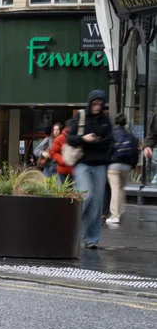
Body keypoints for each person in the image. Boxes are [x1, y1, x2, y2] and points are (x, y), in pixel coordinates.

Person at [66, 90, 113, 249]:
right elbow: (70, 139)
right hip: (82, 163)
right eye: (95, 103)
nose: (97, 107)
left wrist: (98, 143)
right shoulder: (80, 116)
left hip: (100, 165)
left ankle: (91, 239)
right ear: (90, 102)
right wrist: (84, 139)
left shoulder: (106, 121)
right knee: (85, 195)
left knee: (97, 203)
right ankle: (69, 229)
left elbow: (110, 142)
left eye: (100, 104)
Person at [107, 113, 139, 226]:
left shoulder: (113, 134)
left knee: (115, 189)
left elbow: (108, 149)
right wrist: (133, 165)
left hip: (113, 165)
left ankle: (115, 215)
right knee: (121, 188)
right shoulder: (130, 135)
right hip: (126, 166)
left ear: (116, 122)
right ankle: (120, 210)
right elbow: (135, 152)